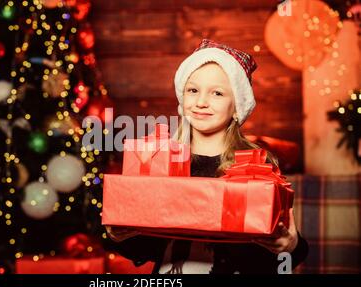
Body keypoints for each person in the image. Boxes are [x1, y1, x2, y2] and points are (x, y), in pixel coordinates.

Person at [105, 40, 308, 274]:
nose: (201, 102)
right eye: (193, 90)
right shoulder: (158, 160)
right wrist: (119, 235)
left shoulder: (256, 166)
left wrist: (290, 247)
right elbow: (147, 248)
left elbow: (280, 258)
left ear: (236, 107)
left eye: (217, 93)